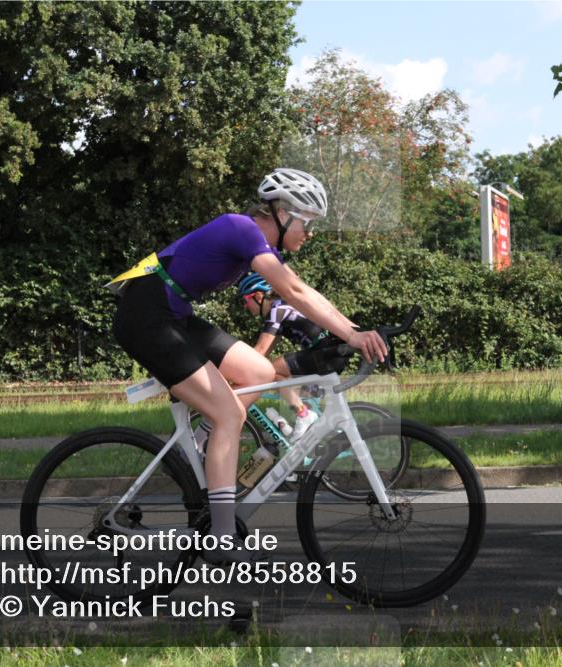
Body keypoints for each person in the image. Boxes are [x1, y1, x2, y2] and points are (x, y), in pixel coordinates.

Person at [108, 168, 387, 565]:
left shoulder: (259, 245)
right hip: (147, 317)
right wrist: (352, 334)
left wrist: (354, 331)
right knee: (228, 413)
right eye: (307, 223)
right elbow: (293, 291)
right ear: (282, 212)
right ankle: (221, 538)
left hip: (173, 314)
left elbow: (302, 291)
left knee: (259, 372)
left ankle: (205, 444)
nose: (310, 234)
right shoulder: (241, 229)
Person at [235, 272, 353, 441]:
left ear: (259, 295)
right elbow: (262, 355)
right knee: (277, 377)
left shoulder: (278, 311)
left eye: (245, 301)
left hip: (325, 352)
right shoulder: (282, 308)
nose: (245, 307)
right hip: (328, 353)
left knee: (272, 371)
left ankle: (303, 414)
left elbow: (259, 352)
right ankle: (309, 421)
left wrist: (232, 373)